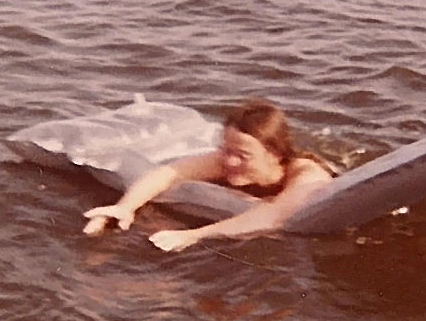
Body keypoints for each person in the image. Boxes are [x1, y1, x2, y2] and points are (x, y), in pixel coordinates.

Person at [82, 98, 333, 252]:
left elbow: (273, 216)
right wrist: (124, 207)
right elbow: (168, 173)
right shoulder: (224, 161)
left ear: (275, 154)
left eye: (243, 155)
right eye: (225, 149)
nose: (230, 161)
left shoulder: (306, 176)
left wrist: (192, 235)